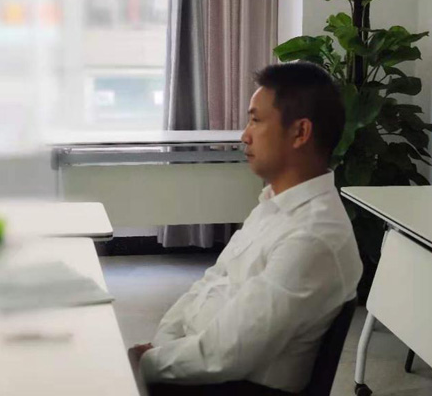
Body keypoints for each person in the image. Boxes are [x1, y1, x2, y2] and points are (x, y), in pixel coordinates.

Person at [129, 62, 363, 395]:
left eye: (256, 120)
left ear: (300, 133)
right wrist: (161, 344)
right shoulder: (274, 204)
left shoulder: (313, 237)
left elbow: (225, 356)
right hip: (197, 369)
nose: (245, 135)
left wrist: (146, 364)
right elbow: (212, 280)